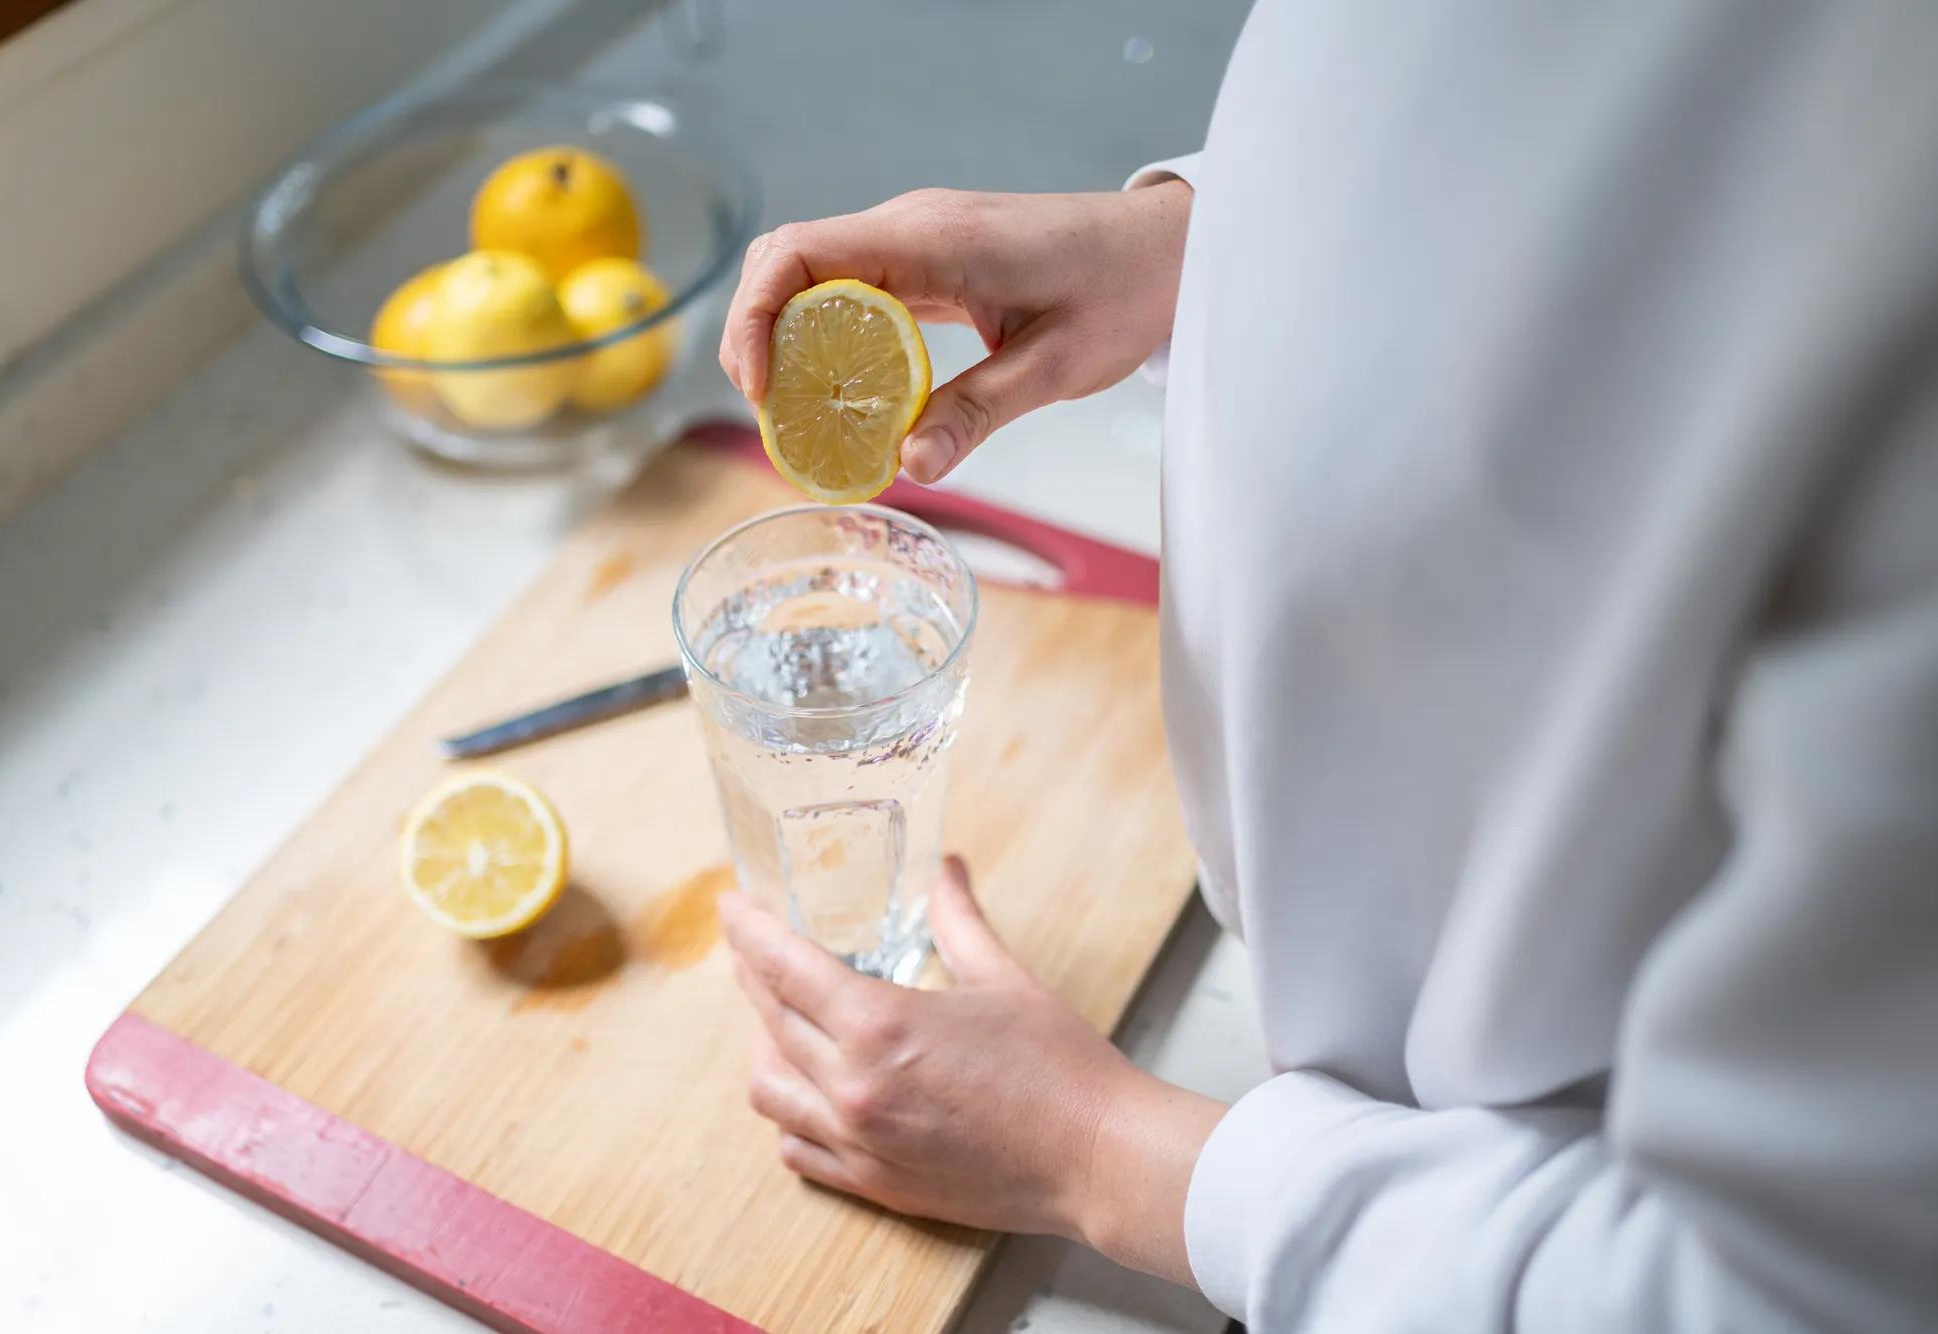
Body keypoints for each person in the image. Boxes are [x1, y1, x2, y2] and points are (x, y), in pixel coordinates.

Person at [714, 4, 1938, 1329]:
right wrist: (1200, 241)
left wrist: (1107, 1156)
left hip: (1471, 1216)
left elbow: (1794, 1296)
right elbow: (1579, 182)